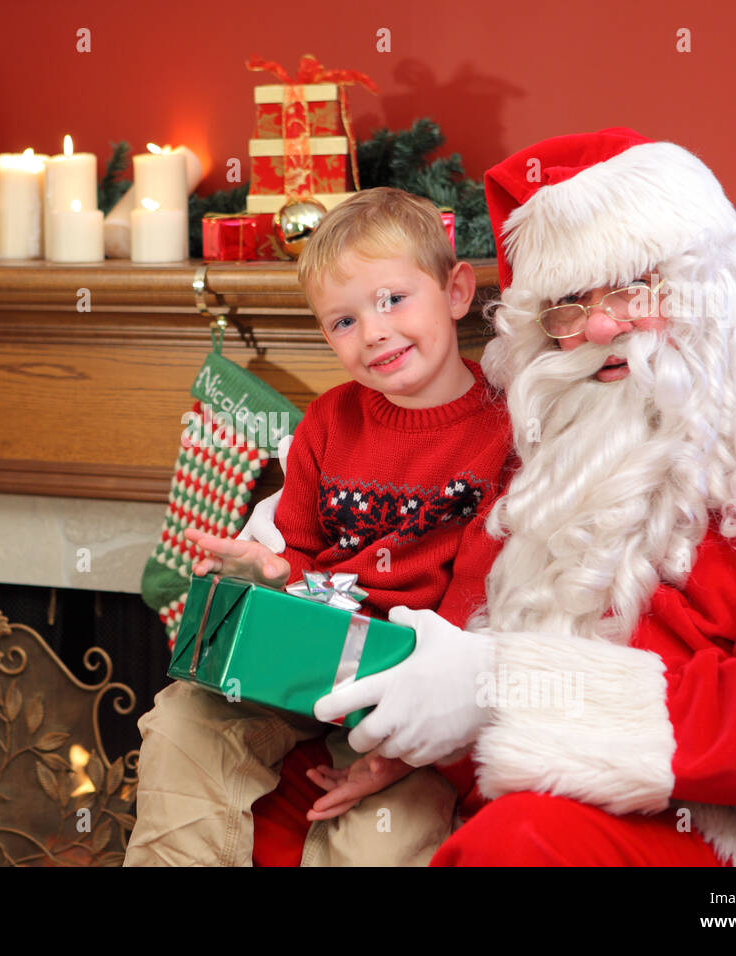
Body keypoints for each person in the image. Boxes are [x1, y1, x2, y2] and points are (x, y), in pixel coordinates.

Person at [246, 128, 736, 866]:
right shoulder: (564, 406)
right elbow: (462, 593)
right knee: (266, 801)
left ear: (705, 275)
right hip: (494, 768)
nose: (602, 327)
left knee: (516, 849)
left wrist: (506, 692)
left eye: (631, 287)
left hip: (699, 807)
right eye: (569, 306)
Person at [123, 187, 514, 866]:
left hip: (410, 678)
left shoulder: (502, 432)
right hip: (308, 656)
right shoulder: (329, 421)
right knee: (182, 721)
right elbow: (300, 556)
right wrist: (272, 575)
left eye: (393, 299)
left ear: (455, 291)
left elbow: (473, 609)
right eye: (343, 321)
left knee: (379, 841)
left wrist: (400, 752)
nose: (375, 333)